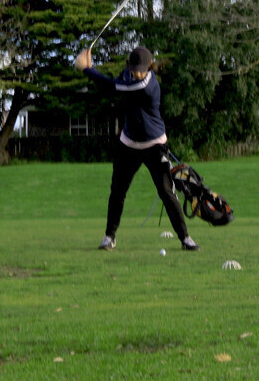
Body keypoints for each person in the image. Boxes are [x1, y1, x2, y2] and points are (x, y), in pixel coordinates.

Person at [74, 46, 199, 251]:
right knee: (117, 192)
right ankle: (109, 237)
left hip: (154, 145)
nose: (137, 73)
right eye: (134, 69)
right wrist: (91, 65)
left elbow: (113, 87)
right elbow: (117, 82)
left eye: (141, 69)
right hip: (128, 144)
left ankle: (185, 238)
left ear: (150, 66)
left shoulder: (146, 84)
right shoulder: (128, 75)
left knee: (167, 192)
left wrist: (86, 69)